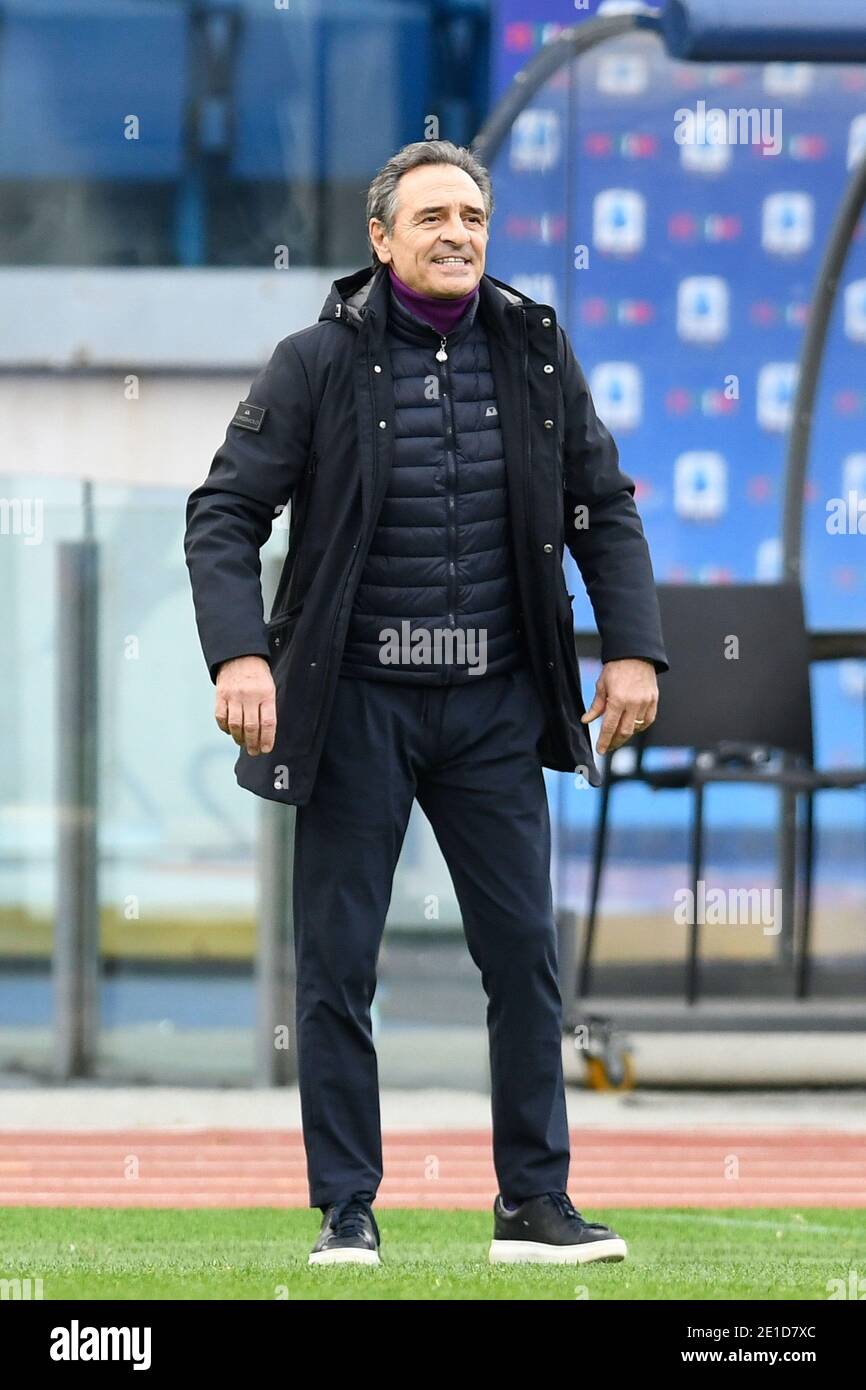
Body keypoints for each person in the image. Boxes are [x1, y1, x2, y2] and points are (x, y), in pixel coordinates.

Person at [184, 140, 669, 1267]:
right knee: (339, 962)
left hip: (496, 703)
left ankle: (529, 1205)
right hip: (354, 702)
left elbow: (603, 504)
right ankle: (346, 1207)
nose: (457, 233)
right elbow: (222, 515)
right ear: (382, 238)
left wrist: (633, 651)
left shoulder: (538, 354)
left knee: (522, 957)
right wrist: (238, 657)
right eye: (433, 216)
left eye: (473, 216)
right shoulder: (311, 361)